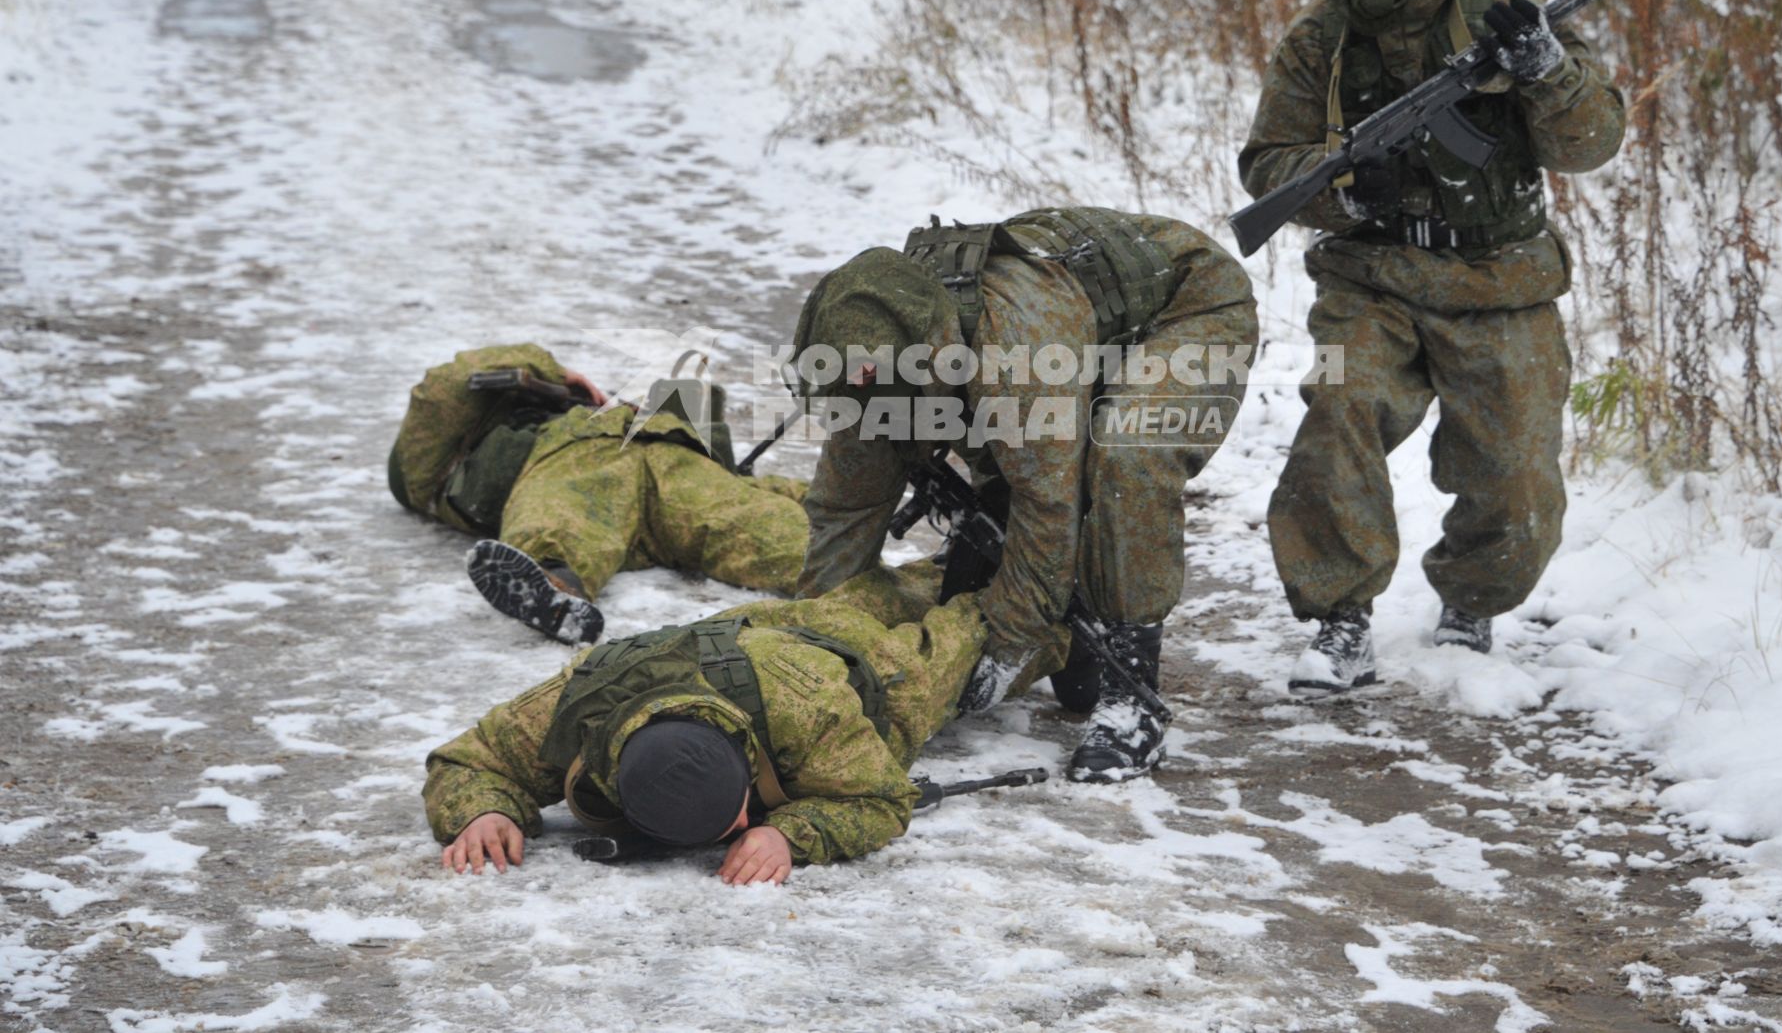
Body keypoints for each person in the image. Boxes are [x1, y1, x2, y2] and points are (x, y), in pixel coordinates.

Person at [1238, 0, 1626, 697]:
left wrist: (1547, 71)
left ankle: (1473, 605)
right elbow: (1267, 164)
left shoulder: (1506, 15)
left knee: (1518, 479)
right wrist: (1346, 184)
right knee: (1341, 412)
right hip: (1371, 279)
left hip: (1501, 280)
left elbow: (1592, 144)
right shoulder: (1321, 40)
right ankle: (1340, 622)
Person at [789, 207, 1258, 782]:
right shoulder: (866, 351)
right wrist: (815, 643)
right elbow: (846, 509)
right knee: (1006, 508)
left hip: (1187, 307)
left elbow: (1047, 510)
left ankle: (1132, 699)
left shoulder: (1013, 354)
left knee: (1127, 457)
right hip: (1057, 339)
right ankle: (1077, 627)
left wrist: (1002, 648)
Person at [425, 560, 1060, 882]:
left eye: (738, 811)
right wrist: (486, 811)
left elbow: (881, 798)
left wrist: (792, 833)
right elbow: (469, 760)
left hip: (856, 673)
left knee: (976, 641)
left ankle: (1050, 581)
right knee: (934, 606)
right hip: (753, 641)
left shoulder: (809, 715)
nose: (740, 826)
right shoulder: (578, 709)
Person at [388, 342, 810, 644]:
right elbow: (440, 388)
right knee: (565, 516)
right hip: (580, 466)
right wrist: (554, 373)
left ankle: (856, 580)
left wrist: (836, 504)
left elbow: (753, 491)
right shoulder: (476, 452)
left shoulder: (665, 433)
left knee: (775, 529)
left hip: (681, 471)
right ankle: (554, 584)